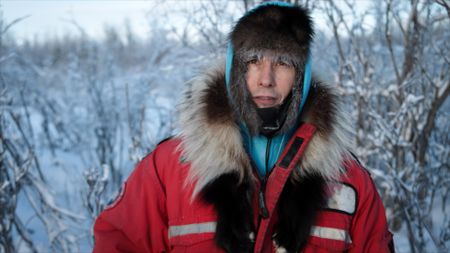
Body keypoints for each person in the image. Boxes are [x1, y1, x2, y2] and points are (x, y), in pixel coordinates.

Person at [93, 2, 394, 253]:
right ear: (235, 68)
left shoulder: (349, 180)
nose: (266, 78)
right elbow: (118, 241)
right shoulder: (167, 170)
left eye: (283, 63)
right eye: (252, 60)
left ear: (300, 76)